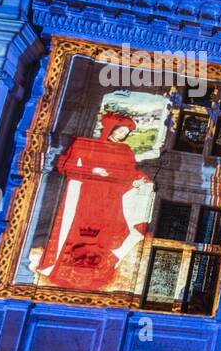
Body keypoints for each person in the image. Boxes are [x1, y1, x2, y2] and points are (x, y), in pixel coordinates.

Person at [33, 111, 155, 292]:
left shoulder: (125, 151)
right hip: (84, 195)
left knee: (103, 235)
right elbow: (65, 166)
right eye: (120, 131)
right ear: (110, 129)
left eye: (125, 134)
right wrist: (94, 170)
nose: (122, 136)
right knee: (75, 231)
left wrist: (141, 179)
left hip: (109, 199)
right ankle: (60, 268)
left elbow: (130, 173)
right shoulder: (84, 144)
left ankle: (96, 271)